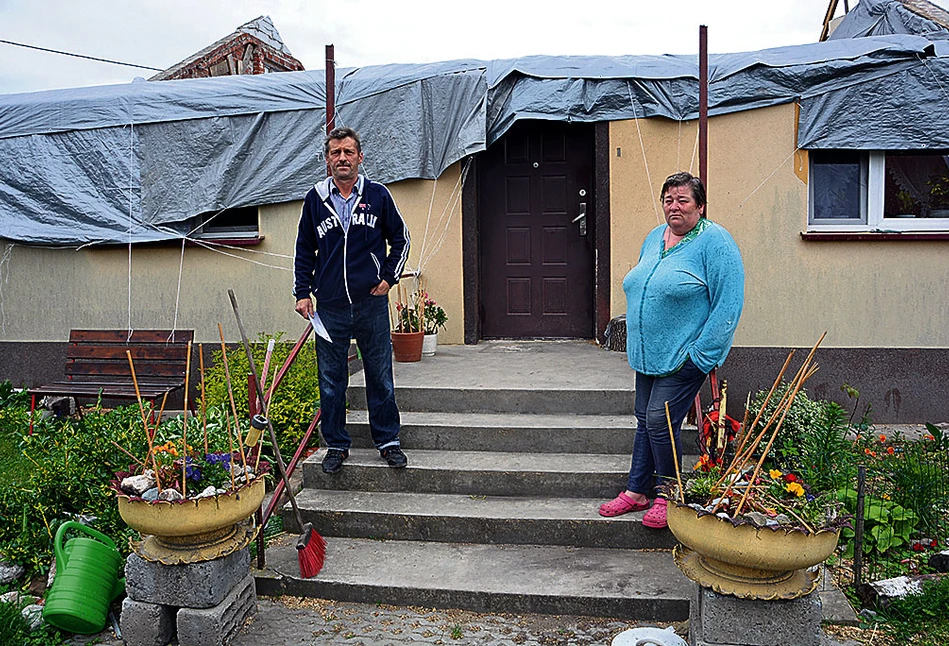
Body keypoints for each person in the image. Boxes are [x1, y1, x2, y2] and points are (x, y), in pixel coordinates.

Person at [599, 171, 744, 528]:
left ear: (700, 206)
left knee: (659, 421)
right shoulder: (654, 238)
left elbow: (729, 303)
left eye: (683, 200)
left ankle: (670, 494)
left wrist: (702, 354)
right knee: (644, 420)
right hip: (649, 356)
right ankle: (637, 490)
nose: (674, 207)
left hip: (685, 355)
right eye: (669, 200)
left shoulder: (716, 242)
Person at [293, 127, 411, 474]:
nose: (341, 158)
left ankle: (388, 442)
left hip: (370, 302)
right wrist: (302, 292)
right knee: (331, 380)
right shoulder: (315, 199)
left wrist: (388, 278)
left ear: (360, 157)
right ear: (327, 159)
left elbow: (400, 240)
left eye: (348, 152)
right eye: (335, 153)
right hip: (329, 307)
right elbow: (304, 249)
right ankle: (336, 445)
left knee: (380, 374)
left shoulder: (378, 195)